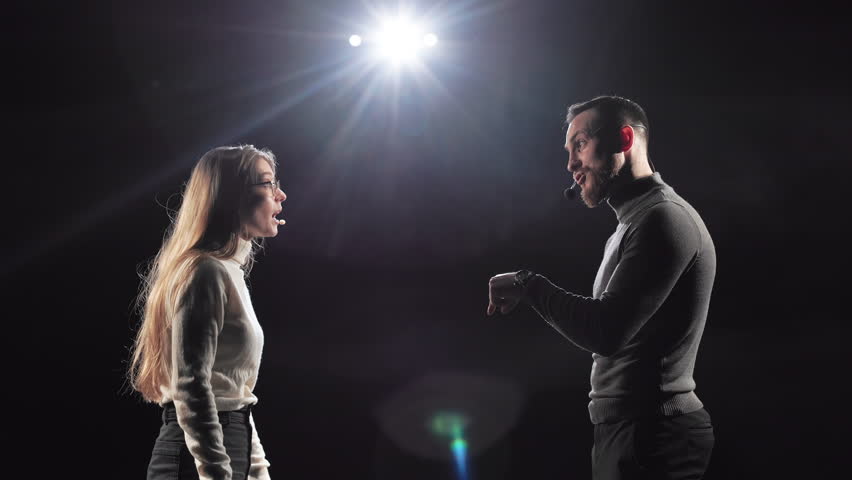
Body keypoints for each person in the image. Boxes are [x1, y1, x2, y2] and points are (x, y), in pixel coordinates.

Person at [487, 96, 716, 479]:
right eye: (569, 150)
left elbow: (605, 331)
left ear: (625, 139)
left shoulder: (663, 219)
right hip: (631, 433)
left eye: (580, 144)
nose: (571, 164)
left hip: (653, 436)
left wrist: (530, 286)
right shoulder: (632, 223)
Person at [128, 145, 287, 480]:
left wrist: (258, 471)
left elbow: (235, 394)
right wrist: (216, 472)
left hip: (225, 448)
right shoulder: (206, 271)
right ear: (233, 197)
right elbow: (192, 386)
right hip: (197, 457)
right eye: (268, 184)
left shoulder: (228, 271)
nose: (280, 195)